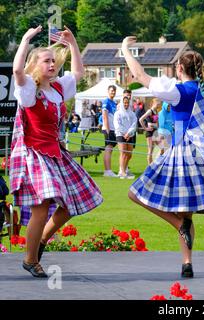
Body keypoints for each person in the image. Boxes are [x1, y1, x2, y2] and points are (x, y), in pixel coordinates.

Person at [122, 28, 204, 278]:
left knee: (135, 193)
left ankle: (178, 226)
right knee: (186, 212)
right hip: (203, 154)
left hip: (181, 153)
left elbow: (140, 74)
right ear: (202, 70)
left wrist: (124, 50)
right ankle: (187, 263)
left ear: (178, 69)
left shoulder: (176, 91)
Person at [11, 25, 103, 278]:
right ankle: (30, 260)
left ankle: (40, 241)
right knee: (43, 205)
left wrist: (72, 42)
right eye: (46, 61)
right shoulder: (30, 88)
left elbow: (79, 72)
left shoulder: (59, 88)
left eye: (54, 60)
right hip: (36, 152)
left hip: (55, 153)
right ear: (35, 65)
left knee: (73, 202)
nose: (52, 64)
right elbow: (17, 70)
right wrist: (25, 39)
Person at [114, 96, 137, 179]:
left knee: (129, 154)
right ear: (122, 103)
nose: (126, 104)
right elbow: (117, 124)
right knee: (123, 153)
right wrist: (124, 133)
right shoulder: (118, 113)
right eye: (124, 102)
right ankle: (122, 172)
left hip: (130, 135)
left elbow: (134, 124)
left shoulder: (132, 113)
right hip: (120, 134)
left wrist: (129, 133)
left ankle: (125, 169)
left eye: (127, 102)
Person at [139, 98, 162, 165]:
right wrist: (145, 128)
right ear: (154, 103)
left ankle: (156, 163)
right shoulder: (150, 111)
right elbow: (141, 119)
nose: (159, 105)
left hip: (156, 132)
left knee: (162, 148)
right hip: (150, 133)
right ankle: (150, 166)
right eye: (158, 104)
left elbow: (157, 123)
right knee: (150, 150)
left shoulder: (156, 111)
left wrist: (156, 126)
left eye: (159, 104)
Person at [102, 85, 118, 177]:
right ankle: (107, 171)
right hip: (108, 129)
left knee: (110, 149)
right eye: (111, 91)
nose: (113, 92)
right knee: (108, 148)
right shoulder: (106, 101)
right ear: (108, 91)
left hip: (113, 128)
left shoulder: (113, 102)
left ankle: (108, 170)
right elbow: (105, 115)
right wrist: (108, 129)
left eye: (114, 91)